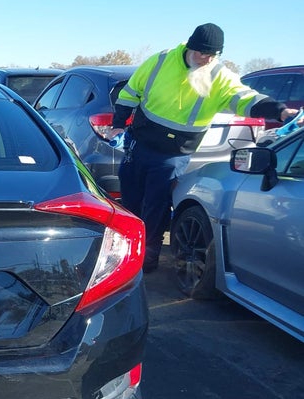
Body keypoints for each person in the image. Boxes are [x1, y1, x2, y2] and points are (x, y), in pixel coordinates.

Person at [108, 23, 301, 272]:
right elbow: (129, 93)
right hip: (140, 143)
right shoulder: (160, 61)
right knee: (130, 199)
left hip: (173, 154)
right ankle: (123, 249)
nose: (206, 59)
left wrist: (281, 111)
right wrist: (118, 125)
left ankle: (148, 257)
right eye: (202, 53)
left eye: (213, 54)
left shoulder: (219, 75)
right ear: (191, 47)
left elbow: (246, 98)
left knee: (156, 204)